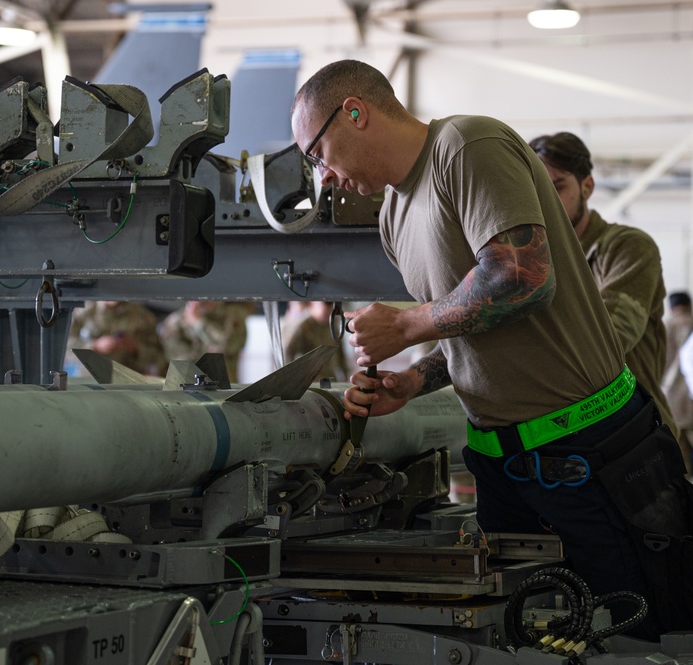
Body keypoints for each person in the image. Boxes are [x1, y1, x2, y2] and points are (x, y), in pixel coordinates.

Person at [290, 59, 690, 637]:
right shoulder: (395, 217)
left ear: (355, 112)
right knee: (524, 637)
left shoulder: (467, 146)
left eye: (316, 153)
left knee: (632, 632)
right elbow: (474, 326)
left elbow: (522, 278)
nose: (322, 175)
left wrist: (406, 327)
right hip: (501, 463)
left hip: (588, 451)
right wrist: (413, 381)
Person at [530, 132, 677, 439]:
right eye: (534, 190)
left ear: (587, 187)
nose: (545, 201)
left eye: (556, 187)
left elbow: (608, 341)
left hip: (637, 442)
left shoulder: (628, 248)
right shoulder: (533, 264)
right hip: (568, 442)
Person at [67, 301, 167, 376]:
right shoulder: (82, 312)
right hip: (91, 378)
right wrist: (95, 346)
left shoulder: (143, 316)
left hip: (129, 379)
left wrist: (135, 348)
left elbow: (158, 357)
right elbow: (65, 348)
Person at [159, 301, 250, 383]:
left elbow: (229, 344)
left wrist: (199, 323)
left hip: (223, 387)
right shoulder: (176, 321)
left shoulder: (232, 314)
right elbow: (175, 358)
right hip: (187, 388)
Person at [661, 292, 693, 474]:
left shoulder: (664, 327)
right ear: (689, 305)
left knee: (680, 451)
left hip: (671, 397)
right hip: (691, 394)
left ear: (671, 308)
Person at [283, 301, 351, 381]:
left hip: (329, 378)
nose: (328, 311)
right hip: (309, 381)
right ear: (312, 304)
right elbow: (288, 355)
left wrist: (346, 377)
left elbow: (340, 354)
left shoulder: (333, 325)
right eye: (325, 305)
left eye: (330, 307)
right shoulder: (303, 327)